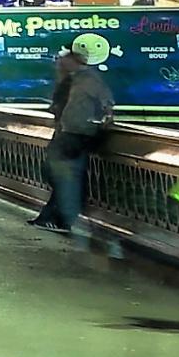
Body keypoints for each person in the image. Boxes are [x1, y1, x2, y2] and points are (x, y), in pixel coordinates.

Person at [42, 34, 117, 250]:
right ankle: (62, 216)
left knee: (66, 177)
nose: (59, 62)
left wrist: (103, 118)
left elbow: (104, 103)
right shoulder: (75, 80)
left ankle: (66, 218)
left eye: (63, 58)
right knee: (65, 176)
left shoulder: (86, 80)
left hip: (76, 135)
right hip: (73, 135)